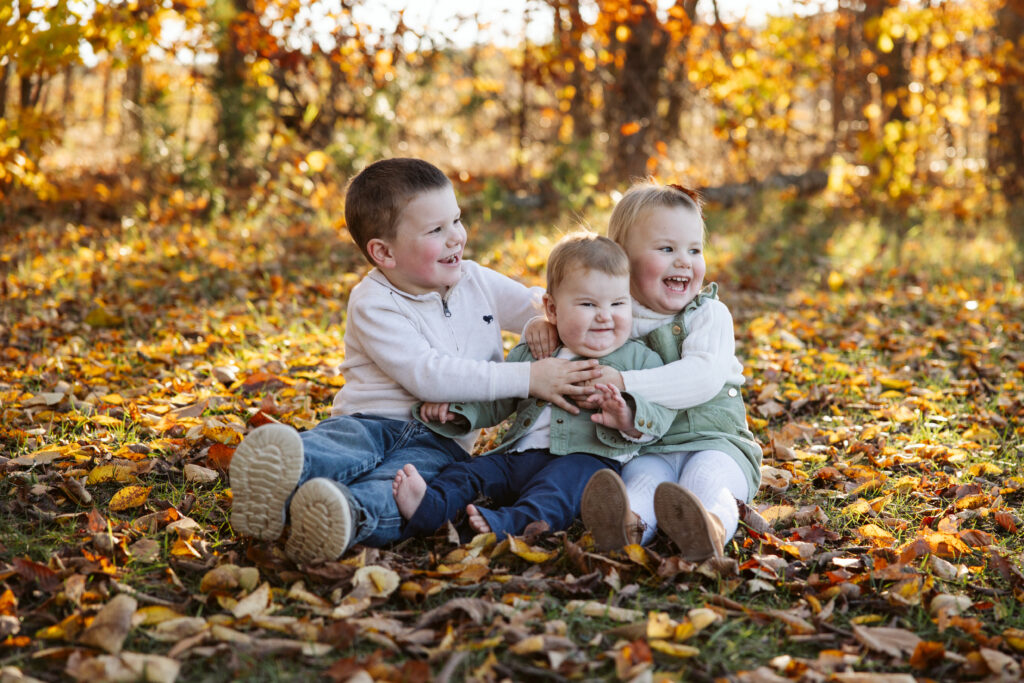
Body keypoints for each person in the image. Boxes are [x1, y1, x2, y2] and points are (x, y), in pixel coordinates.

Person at [228, 158, 602, 564]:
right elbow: (429, 375)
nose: (456, 237)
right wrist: (529, 377)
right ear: (384, 252)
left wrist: (540, 320)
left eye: (456, 220)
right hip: (370, 420)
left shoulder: (476, 280)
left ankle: (345, 514)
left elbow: (542, 303)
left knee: (398, 487)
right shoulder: (373, 302)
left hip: (441, 440)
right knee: (340, 449)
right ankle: (281, 473)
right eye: (435, 230)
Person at [391, 232, 675, 541]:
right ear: (552, 309)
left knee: (556, 493)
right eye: (588, 304)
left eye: (618, 303)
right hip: (517, 456)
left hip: (584, 459)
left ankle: (512, 525)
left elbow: (662, 412)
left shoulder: (640, 359)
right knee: (469, 472)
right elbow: (499, 398)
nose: (605, 316)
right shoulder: (536, 352)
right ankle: (432, 508)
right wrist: (458, 411)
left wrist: (628, 416)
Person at [577, 182, 762, 561]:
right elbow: (566, 311)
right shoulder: (612, 315)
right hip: (648, 445)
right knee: (642, 483)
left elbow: (701, 377)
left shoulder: (709, 315)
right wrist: (539, 326)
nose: (684, 261)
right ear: (622, 260)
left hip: (716, 441)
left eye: (694, 250)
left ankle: (709, 527)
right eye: (667, 249)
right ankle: (627, 528)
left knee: (706, 482)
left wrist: (624, 382)